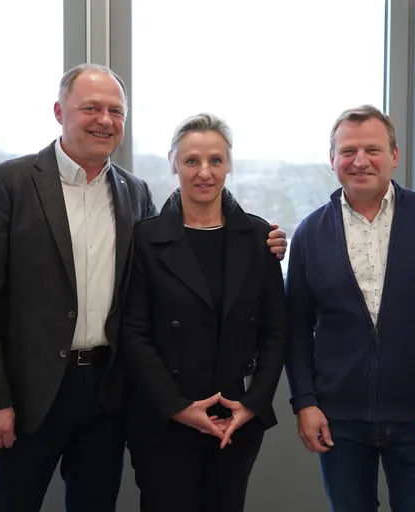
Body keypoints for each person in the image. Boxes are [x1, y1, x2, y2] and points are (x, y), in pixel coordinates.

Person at [0, 64, 288, 512]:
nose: (105, 120)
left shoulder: (134, 192)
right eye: (91, 108)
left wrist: (261, 238)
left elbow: (180, 251)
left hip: (108, 392)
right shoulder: (7, 184)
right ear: (59, 112)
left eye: (115, 111)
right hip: (29, 392)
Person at [284, 105, 415, 511]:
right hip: (338, 419)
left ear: (394, 156)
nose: (360, 161)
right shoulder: (310, 233)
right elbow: (295, 329)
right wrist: (305, 403)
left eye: (372, 150)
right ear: (332, 160)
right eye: (348, 151)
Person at [120, 113, 288, 512]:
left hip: (234, 418)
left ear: (229, 165)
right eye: (191, 160)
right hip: (165, 419)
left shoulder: (259, 237)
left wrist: (253, 403)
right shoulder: (146, 238)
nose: (204, 172)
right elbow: (133, 332)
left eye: (216, 160)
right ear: (173, 164)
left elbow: (276, 330)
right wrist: (178, 407)